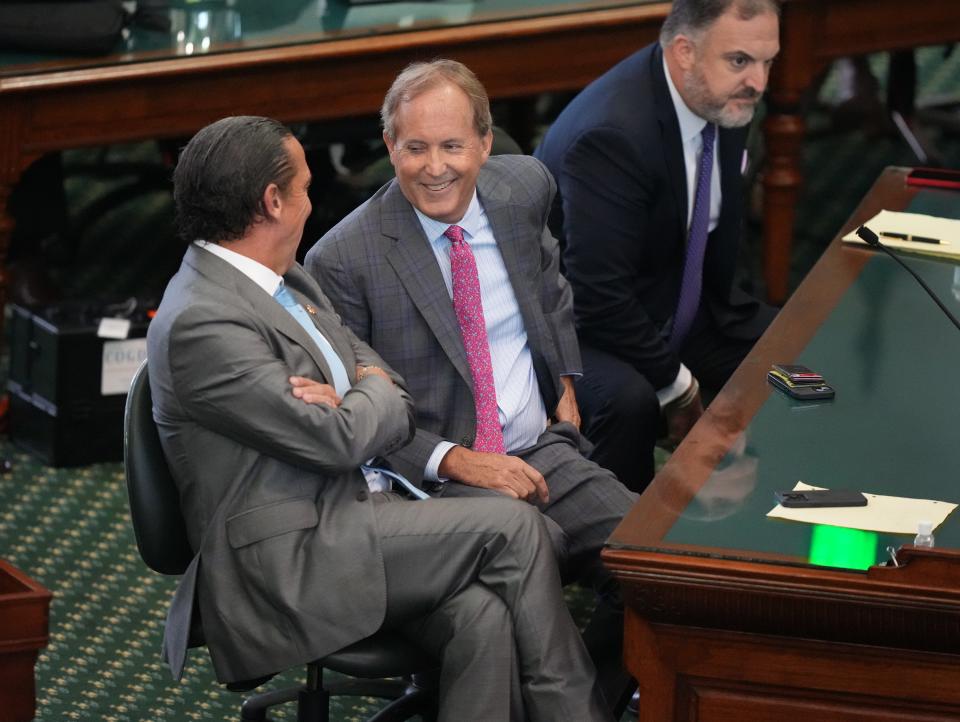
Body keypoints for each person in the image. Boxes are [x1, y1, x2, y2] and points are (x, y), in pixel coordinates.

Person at [147, 115, 612, 722]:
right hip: (293, 558)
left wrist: (362, 390)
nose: (313, 204)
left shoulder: (281, 274)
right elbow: (341, 437)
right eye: (308, 188)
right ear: (272, 201)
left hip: (365, 513)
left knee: (482, 616)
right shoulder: (202, 322)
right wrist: (366, 393)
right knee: (513, 528)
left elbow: (376, 372)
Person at [304, 60, 637, 715]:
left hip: (541, 451)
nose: (436, 168)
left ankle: (595, 697)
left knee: (655, 564)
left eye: (453, 146)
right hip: (431, 484)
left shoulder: (523, 192)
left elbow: (552, 289)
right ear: (390, 147)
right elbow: (353, 419)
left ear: (486, 144)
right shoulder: (343, 259)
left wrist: (564, 380)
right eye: (415, 148)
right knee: (529, 554)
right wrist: (457, 460)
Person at [534, 0, 780, 492]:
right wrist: (680, 385)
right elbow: (598, 300)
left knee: (796, 352)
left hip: (668, 300)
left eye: (767, 62)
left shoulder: (721, 97)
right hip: (574, 327)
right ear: (685, 52)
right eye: (740, 61)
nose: (759, 82)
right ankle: (623, 548)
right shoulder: (613, 135)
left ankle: (770, 505)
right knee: (631, 399)